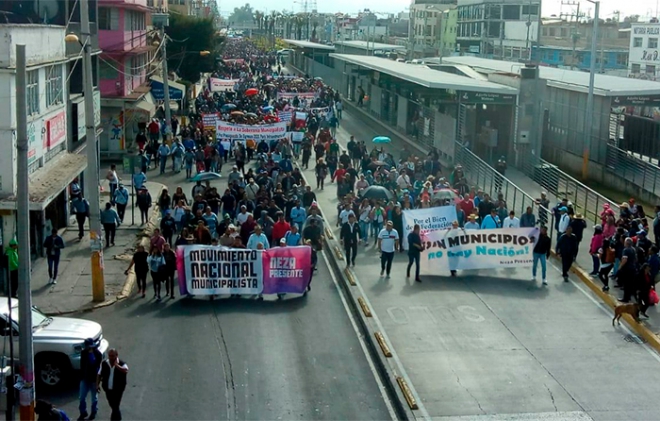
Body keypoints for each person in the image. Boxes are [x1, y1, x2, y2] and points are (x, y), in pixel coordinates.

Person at [97, 348, 129, 421]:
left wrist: (117, 365)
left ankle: (115, 419)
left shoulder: (122, 363)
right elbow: (99, 374)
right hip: (108, 389)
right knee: (112, 404)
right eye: (110, 356)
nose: (111, 357)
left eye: (113, 356)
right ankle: (116, 418)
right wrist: (97, 385)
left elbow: (125, 370)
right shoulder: (104, 363)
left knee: (115, 405)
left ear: (116, 355)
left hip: (118, 389)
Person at [78, 337, 102, 420]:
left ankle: (93, 411)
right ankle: (83, 412)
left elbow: (97, 366)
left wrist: (98, 382)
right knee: (81, 397)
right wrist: (81, 376)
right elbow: (82, 365)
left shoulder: (98, 354)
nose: (89, 348)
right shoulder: (83, 353)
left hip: (93, 379)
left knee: (94, 398)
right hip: (84, 378)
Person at [618, 237, 638, 303]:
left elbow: (624, 260)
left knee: (626, 284)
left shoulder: (626, 250)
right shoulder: (633, 249)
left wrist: (620, 267)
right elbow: (636, 259)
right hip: (633, 268)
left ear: (626, 243)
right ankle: (628, 297)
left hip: (627, 269)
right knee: (630, 284)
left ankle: (625, 298)